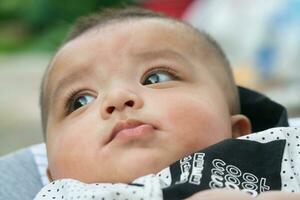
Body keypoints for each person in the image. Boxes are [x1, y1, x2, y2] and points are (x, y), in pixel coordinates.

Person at [35, 7, 300, 200]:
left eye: (155, 78)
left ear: (238, 131)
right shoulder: (67, 195)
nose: (117, 98)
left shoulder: (287, 152)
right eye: (80, 101)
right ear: (52, 173)